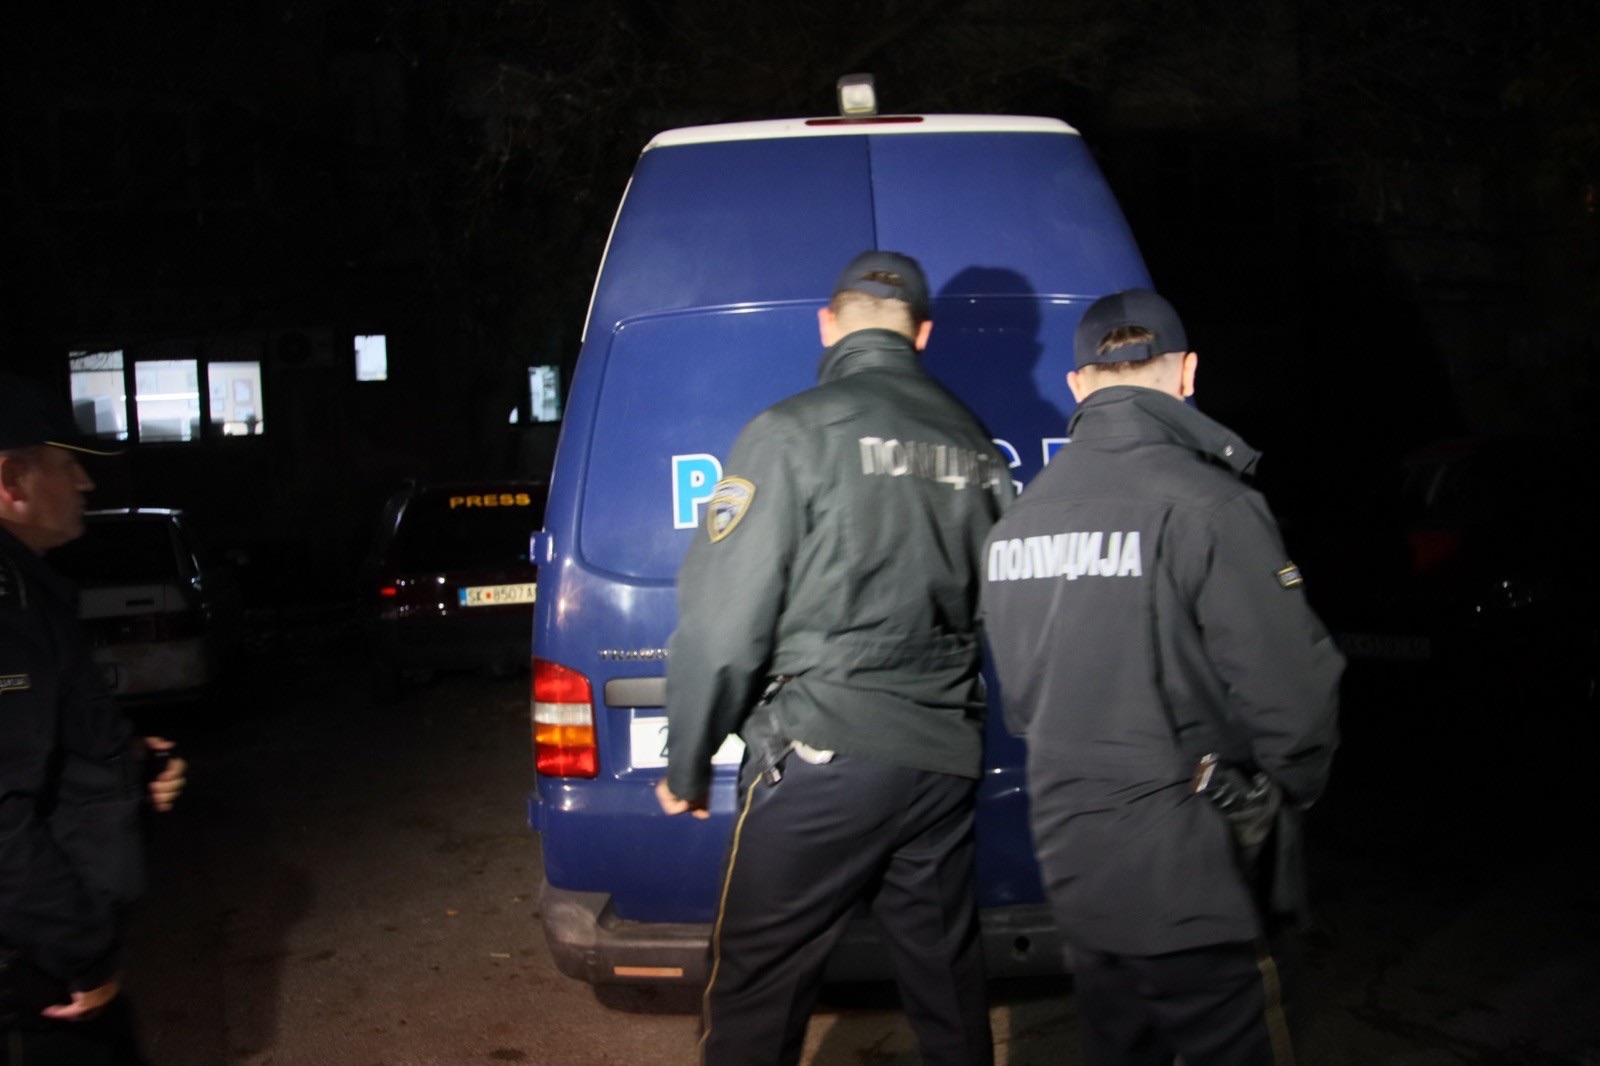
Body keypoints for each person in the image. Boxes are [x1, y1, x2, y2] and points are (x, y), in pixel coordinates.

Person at [655, 251, 1013, 1066]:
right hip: (941, 759)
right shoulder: (976, 445)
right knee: (947, 990)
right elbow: (1006, 606)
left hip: (825, 750)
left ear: (828, 323)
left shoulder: (790, 433)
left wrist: (688, 760)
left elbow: (723, 624)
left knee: (755, 995)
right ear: (922, 334)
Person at [979, 290, 1342, 1066]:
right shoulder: (1213, 507)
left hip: (1077, 863)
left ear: (1078, 385)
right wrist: (1278, 802)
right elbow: (1295, 699)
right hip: (1198, 870)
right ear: (1187, 373)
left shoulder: (1015, 525)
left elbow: (1023, 704)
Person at [1, 372, 188, 1065]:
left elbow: (36, 751)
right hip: (38, 975)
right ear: (10, 481)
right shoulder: (7, 610)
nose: (84, 483)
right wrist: (82, 955)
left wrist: (126, 764)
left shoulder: (27, 591)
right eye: (66, 465)